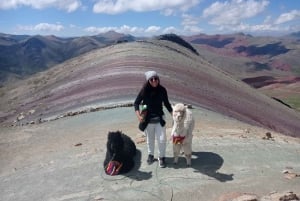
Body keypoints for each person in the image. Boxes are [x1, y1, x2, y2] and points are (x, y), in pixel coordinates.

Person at [134, 70, 173, 168]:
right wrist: (139, 116)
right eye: (152, 79)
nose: (154, 81)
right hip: (148, 120)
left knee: (161, 139)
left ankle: (162, 157)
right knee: (150, 139)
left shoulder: (162, 90)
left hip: (159, 119)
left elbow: (167, 104)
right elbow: (136, 103)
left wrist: (173, 115)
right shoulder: (144, 91)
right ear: (148, 81)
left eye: (156, 78)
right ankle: (151, 155)